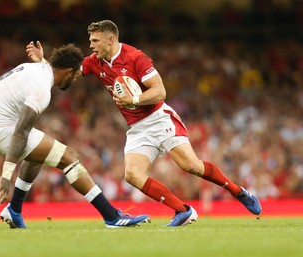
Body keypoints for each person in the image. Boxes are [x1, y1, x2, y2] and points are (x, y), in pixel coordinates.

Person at [25, 20, 262, 226]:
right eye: (91, 41)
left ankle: (238, 191)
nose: (91, 45)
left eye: (95, 40)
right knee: (132, 175)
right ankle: (183, 211)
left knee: (191, 166)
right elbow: (67, 74)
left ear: (110, 39)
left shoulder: (135, 57)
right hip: (138, 128)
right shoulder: (95, 62)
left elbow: (160, 91)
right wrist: (42, 62)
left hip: (159, 119)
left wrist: (134, 99)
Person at [0, 43, 150, 228]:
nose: (74, 79)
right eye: (74, 75)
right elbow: (21, 131)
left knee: (38, 154)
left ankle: (14, 210)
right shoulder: (41, 90)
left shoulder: (39, 69)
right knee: (70, 157)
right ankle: (112, 217)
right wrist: (6, 174)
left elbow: (47, 71)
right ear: (67, 71)